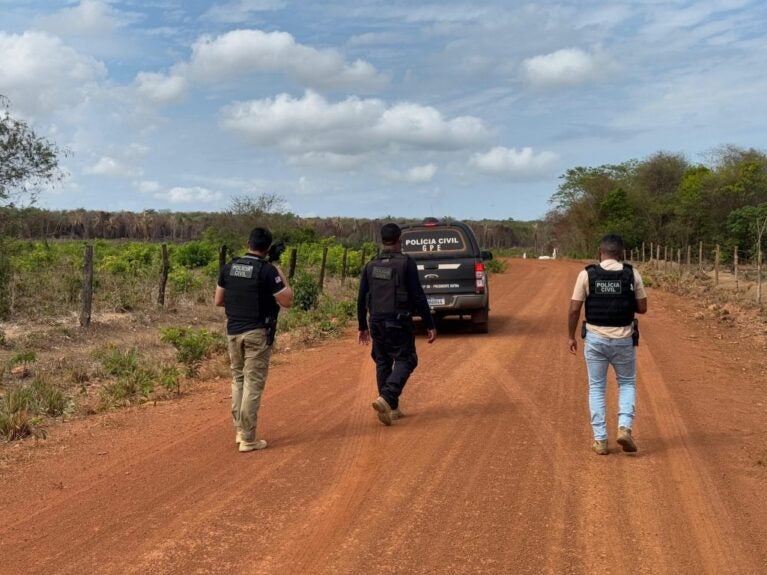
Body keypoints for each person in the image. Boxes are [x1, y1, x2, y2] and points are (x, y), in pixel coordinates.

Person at [567, 234, 647, 455]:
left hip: (595, 339)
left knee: (596, 388)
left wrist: (571, 336)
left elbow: (574, 309)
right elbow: (642, 308)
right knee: (627, 384)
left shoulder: (587, 274)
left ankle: (600, 440)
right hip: (623, 339)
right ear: (621, 253)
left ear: (599, 252)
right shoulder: (632, 274)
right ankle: (624, 427)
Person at [215, 227, 294, 452]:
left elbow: (219, 300)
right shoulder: (268, 270)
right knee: (253, 383)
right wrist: (280, 274)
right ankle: (249, 438)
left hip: (233, 331)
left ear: (247, 242)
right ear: (268, 248)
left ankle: (240, 431)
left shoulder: (229, 267)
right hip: (257, 333)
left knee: (238, 379)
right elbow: (287, 300)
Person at [357, 223, 437, 425]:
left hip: (375, 321)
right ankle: (387, 397)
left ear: (381, 240)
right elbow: (418, 295)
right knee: (407, 359)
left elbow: (361, 297)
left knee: (383, 361)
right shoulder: (406, 263)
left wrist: (362, 326)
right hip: (398, 320)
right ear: (399, 240)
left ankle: (391, 409)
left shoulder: (371, 265)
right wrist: (430, 324)